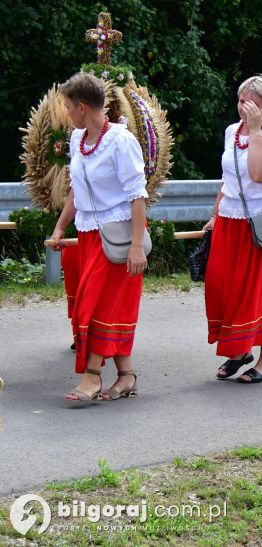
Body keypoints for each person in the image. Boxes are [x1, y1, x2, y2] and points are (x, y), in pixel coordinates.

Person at [50, 72, 149, 402]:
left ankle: (91, 377)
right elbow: (76, 193)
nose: (65, 113)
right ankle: (127, 376)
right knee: (106, 307)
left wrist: (137, 246)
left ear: (81, 107)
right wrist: (61, 228)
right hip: (91, 235)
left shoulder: (120, 141)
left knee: (94, 309)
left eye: (66, 106)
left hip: (120, 236)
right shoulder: (79, 143)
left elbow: (137, 195)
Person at [203, 74, 262, 384]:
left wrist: (256, 131)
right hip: (231, 218)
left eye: (252, 104)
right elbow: (229, 178)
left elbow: (257, 175)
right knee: (221, 284)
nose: (245, 108)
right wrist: (216, 214)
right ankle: (240, 350)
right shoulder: (232, 131)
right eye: (241, 101)